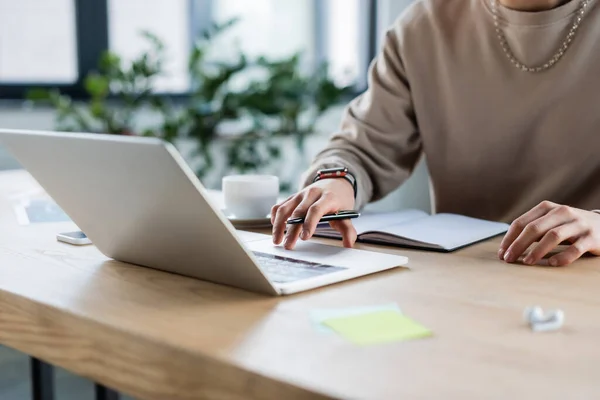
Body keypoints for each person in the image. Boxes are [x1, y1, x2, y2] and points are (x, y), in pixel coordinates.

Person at [270, 0, 600, 266]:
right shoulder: (423, 25)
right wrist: (336, 180)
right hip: (463, 270)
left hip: (578, 270)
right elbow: (362, 148)